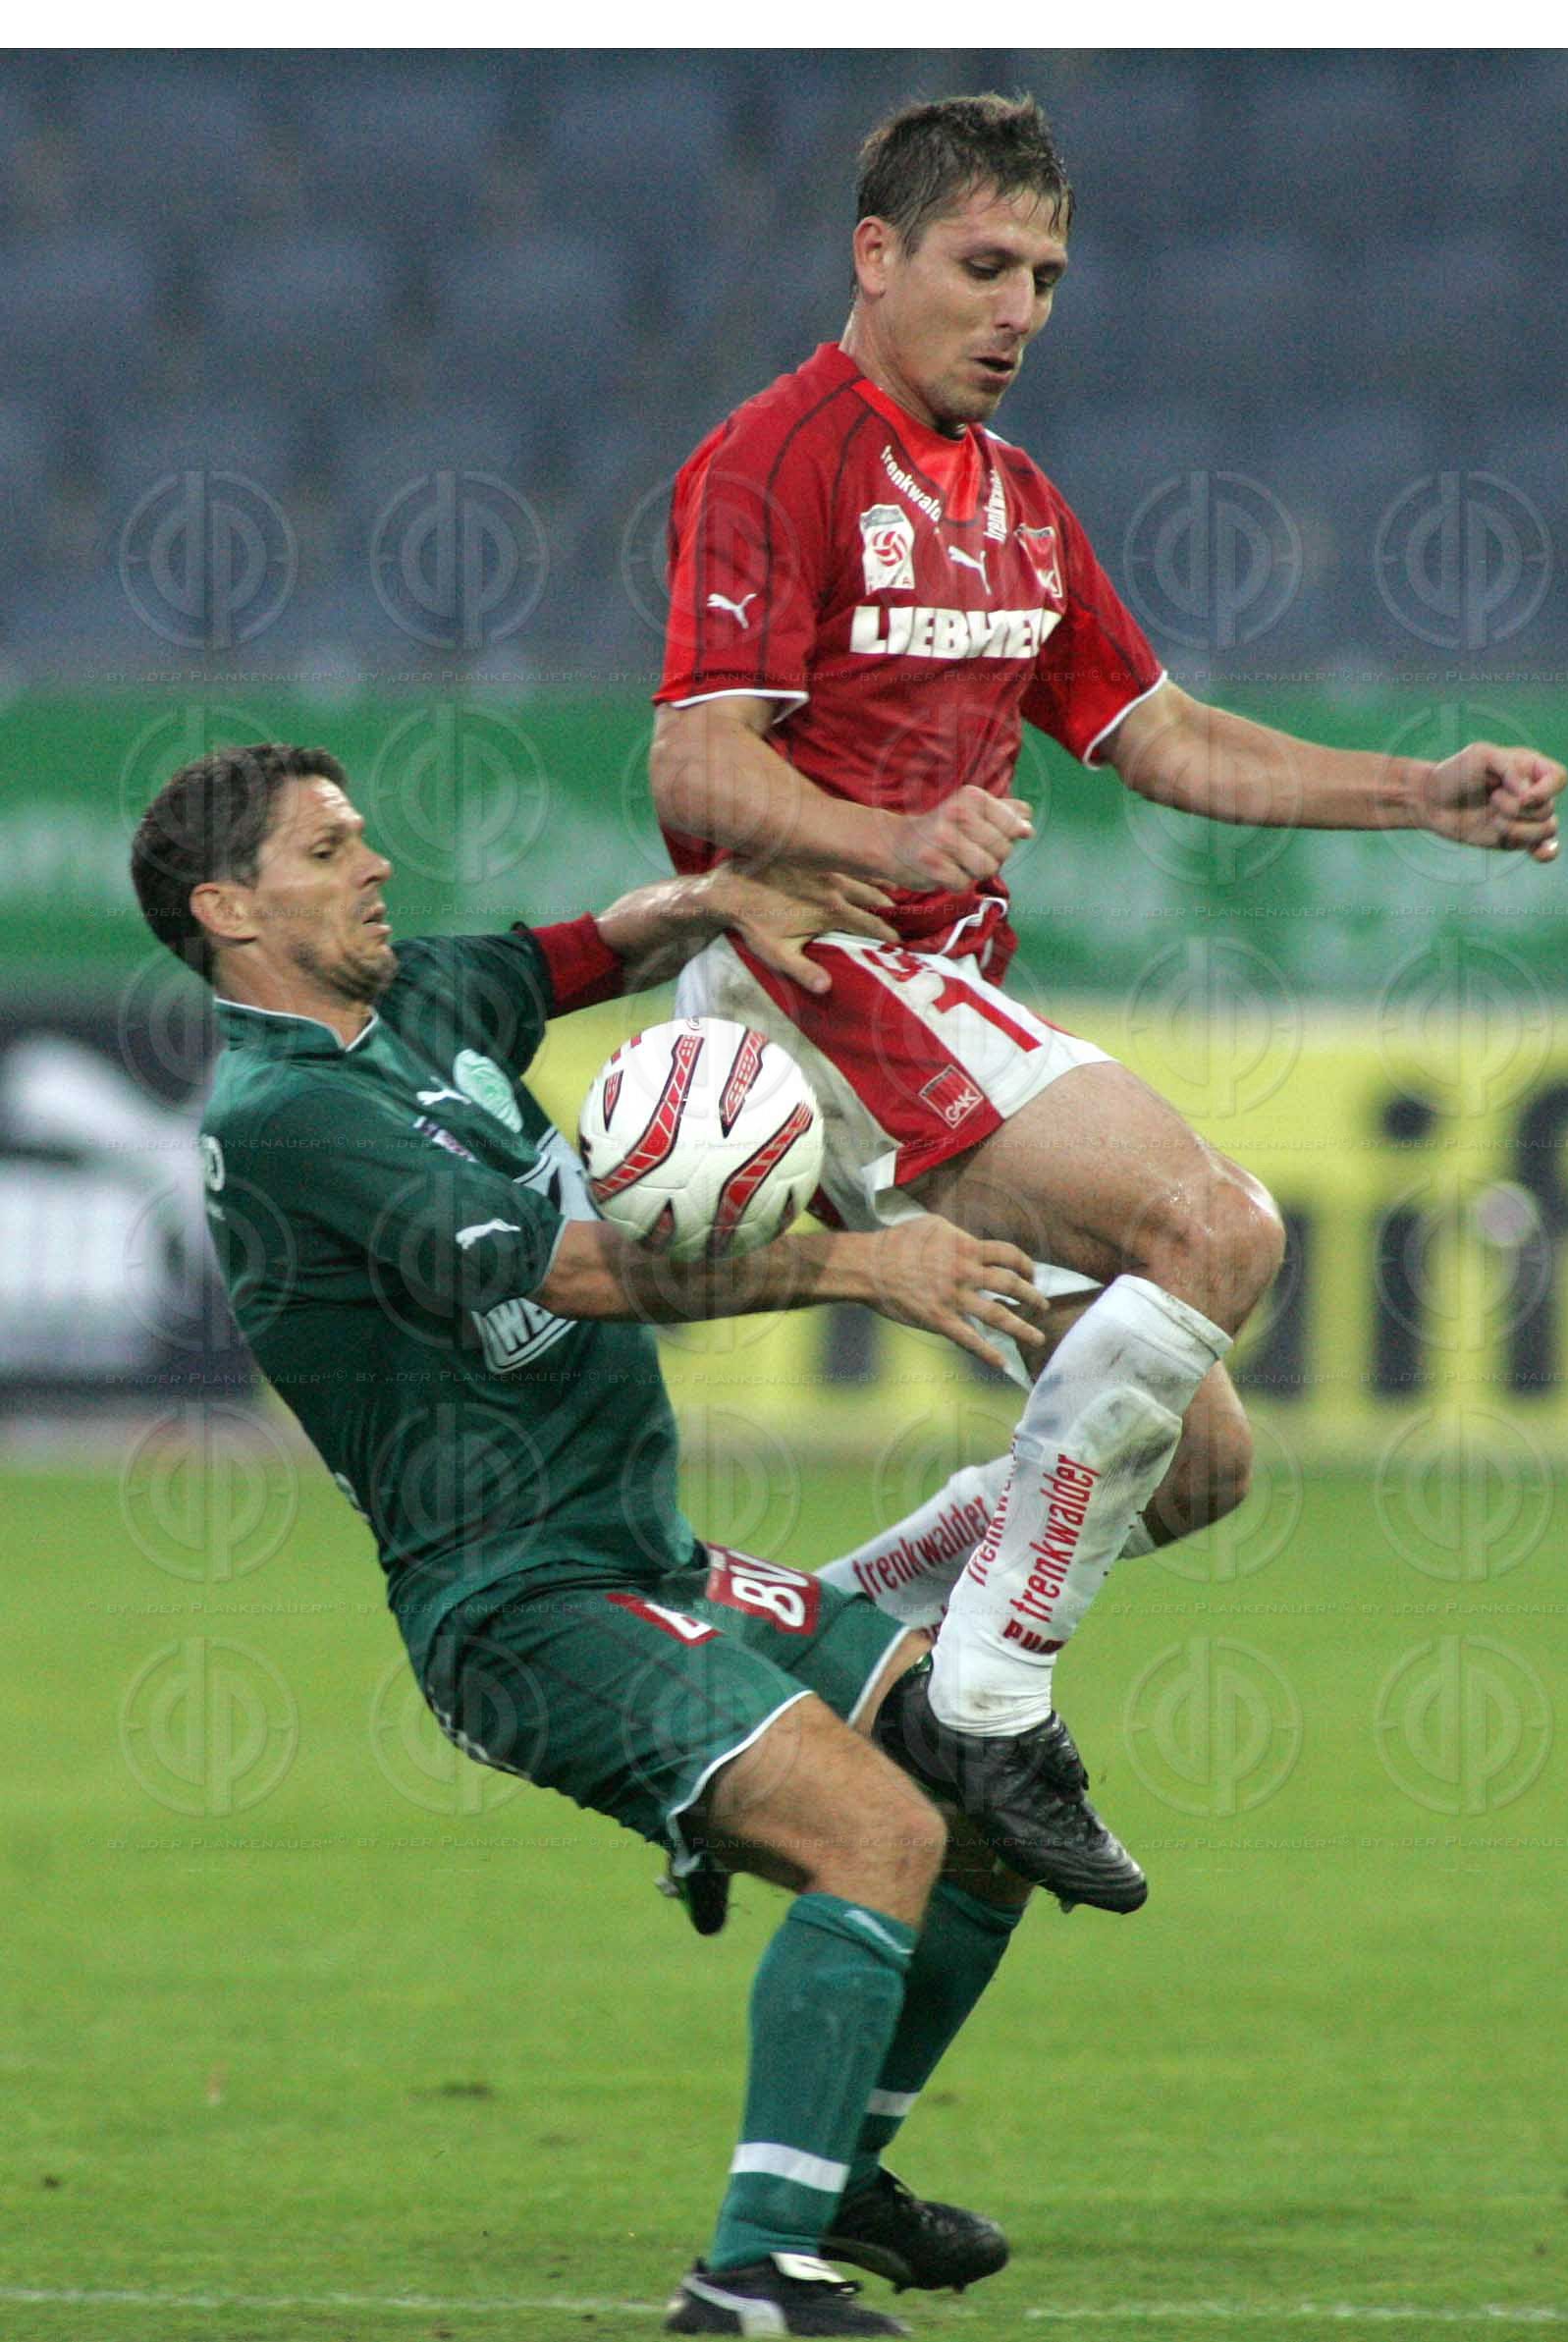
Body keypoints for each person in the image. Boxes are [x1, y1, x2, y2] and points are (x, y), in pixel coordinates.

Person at [648, 91, 1568, 1910]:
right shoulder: (776, 458)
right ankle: (986, 1699)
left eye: (1049, 277)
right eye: (986, 266)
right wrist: (894, 828)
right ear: (876, 255)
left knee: (1193, 1459)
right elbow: (695, 769)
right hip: (816, 989)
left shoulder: (1014, 507)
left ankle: (802, 1647)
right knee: (1212, 1224)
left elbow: (1160, 736)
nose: (1022, 310)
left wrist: (1419, 791)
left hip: (928, 1002)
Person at [130, 740, 1062, 2338]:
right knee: (876, 1835)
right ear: (230, 907)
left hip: (650, 1557)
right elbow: (566, 1270)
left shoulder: (412, 999)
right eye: (330, 848)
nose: (378, 865)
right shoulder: (289, 1114)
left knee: (979, 1792)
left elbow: (584, 949)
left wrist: (716, 897)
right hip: (523, 1604)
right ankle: (749, 2275)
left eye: (363, 836)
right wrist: (860, 1269)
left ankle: (832, 2171)